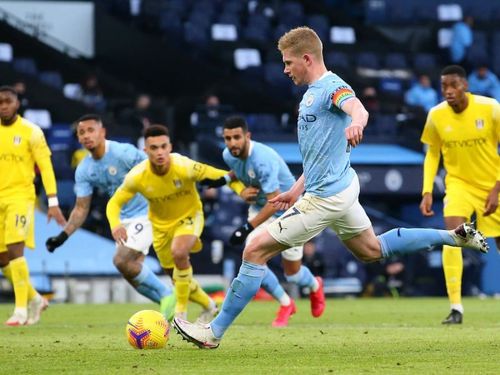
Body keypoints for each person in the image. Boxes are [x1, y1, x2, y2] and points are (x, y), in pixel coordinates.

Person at [172, 27, 489, 349]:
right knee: (372, 250)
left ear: (306, 59)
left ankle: (212, 333)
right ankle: (453, 236)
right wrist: (296, 190)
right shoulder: (312, 91)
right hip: (339, 186)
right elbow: (319, 154)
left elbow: (358, 109)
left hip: (326, 198)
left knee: (254, 249)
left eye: (288, 62)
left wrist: (357, 123)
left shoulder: (332, 88)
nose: (284, 69)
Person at [106, 125, 245, 321]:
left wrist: (242, 191)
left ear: (170, 146)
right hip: (161, 228)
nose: (160, 152)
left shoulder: (184, 166)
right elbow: (114, 203)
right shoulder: (137, 177)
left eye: (163, 146)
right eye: (154, 148)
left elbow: (221, 176)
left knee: (179, 252)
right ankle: (209, 305)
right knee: (178, 278)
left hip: (190, 217)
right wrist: (115, 224)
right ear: (145, 151)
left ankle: (180, 313)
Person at [45, 114, 178, 319]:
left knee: (121, 260)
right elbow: (81, 208)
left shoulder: (123, 153)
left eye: (91, 130)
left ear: (102, 132)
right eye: (82, 132)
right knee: (129, 270)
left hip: (148, 211)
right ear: (78, 139)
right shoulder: (84, 169)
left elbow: (157, 166)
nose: (87, 136)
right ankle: (179, 304)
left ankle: (167, 295)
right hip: (123, 219)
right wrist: (62, 236)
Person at [201, 115, 325, 327]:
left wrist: (246, 227)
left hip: (288, 211)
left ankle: (314, 284)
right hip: (260, 208)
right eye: (228, 138)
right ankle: (286, 303)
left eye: (236, 138)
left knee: (292, 273)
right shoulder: (228, 154)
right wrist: (223, 180)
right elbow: (238, 171)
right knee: (251, 257)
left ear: (247, 136)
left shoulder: (263, 160)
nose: (232, 143)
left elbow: (274, 203)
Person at [419, 65, 499, 324]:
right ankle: (456, 307)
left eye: (453, 85)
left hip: (492, 184)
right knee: (454, 237)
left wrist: (497, 188)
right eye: (444, 86)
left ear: (465, 85)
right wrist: (427, 190)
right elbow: (432, 153)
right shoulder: (436, 115)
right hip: (458, 185)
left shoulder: (490, 108)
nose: (448, 91)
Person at [0, 85, 66, 326]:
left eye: (8, 101)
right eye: (0, 102)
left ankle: (20, 310)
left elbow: (46, 168)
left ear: (17, 103)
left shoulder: (31, 131)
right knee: (2, 258)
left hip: (20, 196)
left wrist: (53, 201)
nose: (4, 106)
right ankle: (36, 299)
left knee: (15, 249)